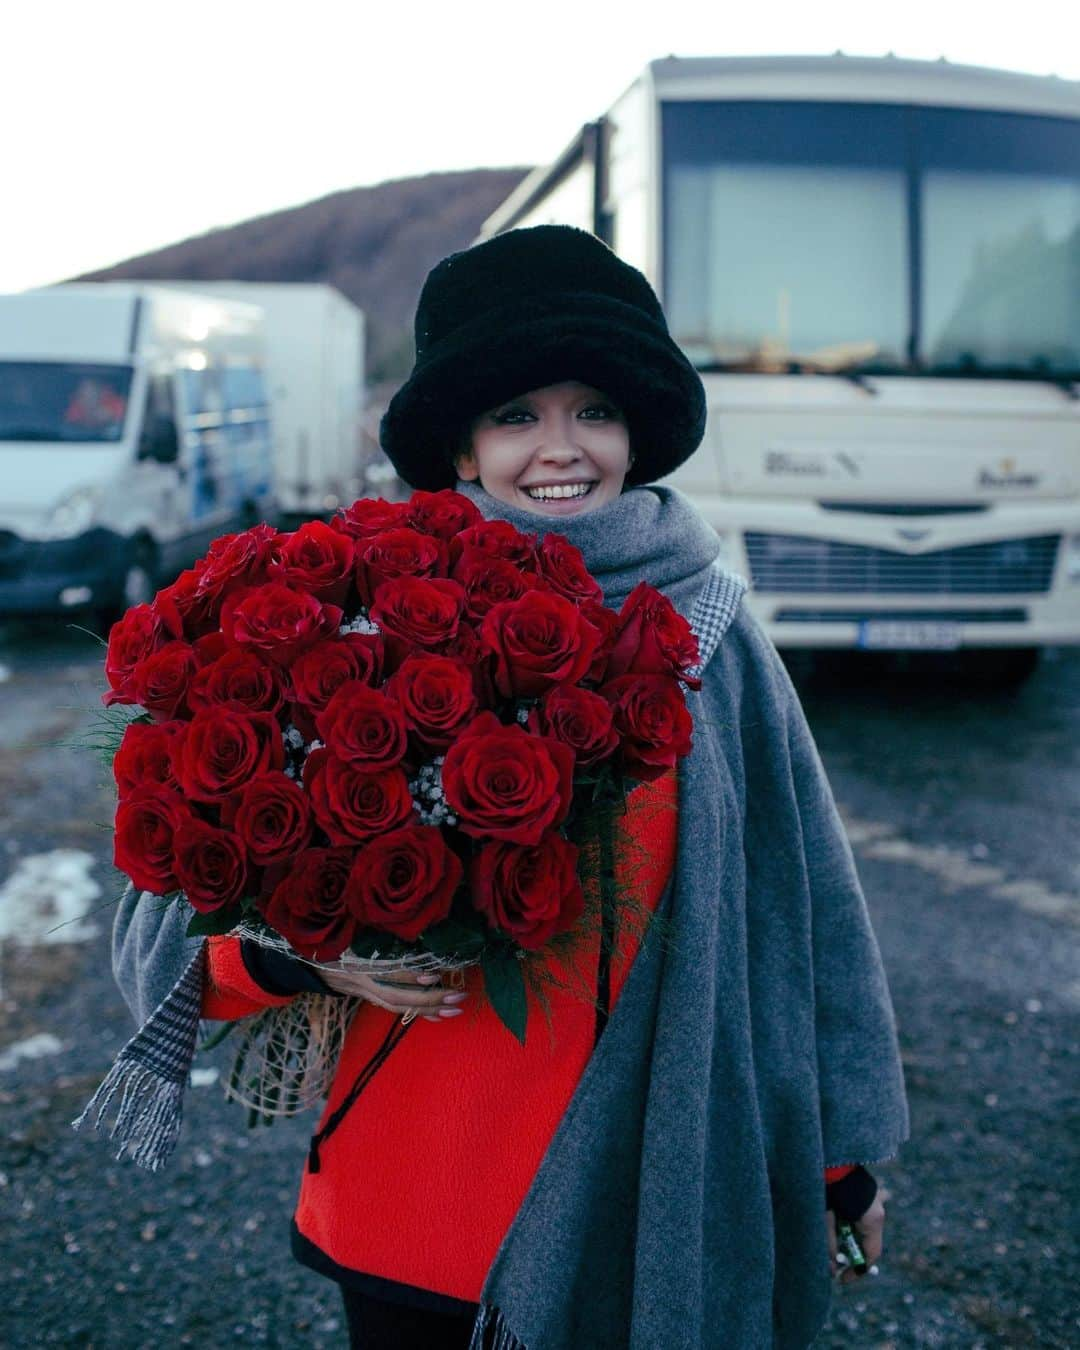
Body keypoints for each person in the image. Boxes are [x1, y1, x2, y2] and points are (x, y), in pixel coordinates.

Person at [104, 225, 908, 1349]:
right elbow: (176, 914)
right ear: (463, 447)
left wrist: (831, 1158)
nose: (560, 448)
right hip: (412, 1209)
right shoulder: (359, 619)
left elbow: (796, 922)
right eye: (516, 415)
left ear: (638, 429)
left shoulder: (717, 642)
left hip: (645, 1202)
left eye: (594, 409)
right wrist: (304, 951)